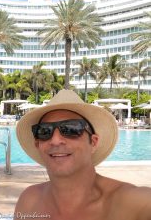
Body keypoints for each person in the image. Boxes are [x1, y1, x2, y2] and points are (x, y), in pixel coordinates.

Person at [14, 90, 151, 220]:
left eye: (71, 129)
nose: (55, 141)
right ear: (38, 145)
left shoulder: (135, 204)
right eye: (44, 131)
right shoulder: (29, 202)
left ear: (93, 142)